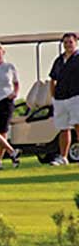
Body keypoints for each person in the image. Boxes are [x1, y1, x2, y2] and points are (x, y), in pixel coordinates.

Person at [48, 31, 79, 166]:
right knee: (63, 128)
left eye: (70, 42)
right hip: (60, 98)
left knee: (78, 125)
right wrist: (53, 95)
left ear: (76, 43)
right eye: (65, 42)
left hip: (75, 96)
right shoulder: (59, 60)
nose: (68, 45)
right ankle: (63, 157)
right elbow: (53, 79)